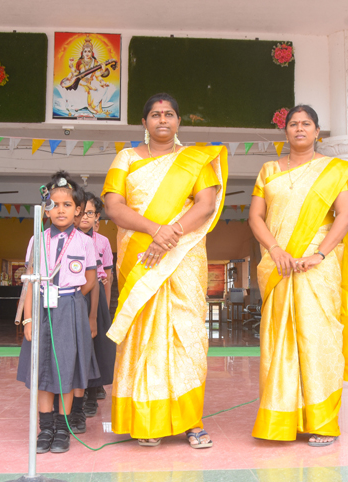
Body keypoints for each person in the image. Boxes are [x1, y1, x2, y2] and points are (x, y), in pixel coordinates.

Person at [102, 93, 228, 448]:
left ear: (178, 121)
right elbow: (113, 205)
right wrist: (155, 231)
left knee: (186, 334)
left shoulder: (194, 159)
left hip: (183, 254)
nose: (162, 120)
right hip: (141, 256)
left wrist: (171, 234)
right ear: (144, 122)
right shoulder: (126, 158)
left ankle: (192, 421)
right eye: (155, 114)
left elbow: (206, 203)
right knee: (143, 334)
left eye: (169, 114)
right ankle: (148, 420)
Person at [248, 105, 348, 447]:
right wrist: (275, 250)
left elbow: (346, 213)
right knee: (280, 341)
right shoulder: (269, 170)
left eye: (306, 124)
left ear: (317, 131)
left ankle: (323, 422)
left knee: (318, 339)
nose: (299, 128)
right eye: (294, 124)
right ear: (285, 131)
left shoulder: (333, 170)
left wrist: (319, 254)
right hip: (279, 264)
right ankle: (281, 420)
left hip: (317, 266)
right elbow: (256, 217)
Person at [16, 171, 100, 454]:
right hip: (40, 306)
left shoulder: (85, 242)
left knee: (65, 369)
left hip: (69, 307)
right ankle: (46, 428)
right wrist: (28, 318)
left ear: (78, 210)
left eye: (67, 205)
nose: (60, 210)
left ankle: (63, 428)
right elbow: (30, 282)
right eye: (54, 204)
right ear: (46, 209)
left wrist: (70, 299)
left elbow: (90, 280)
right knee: (42, 369)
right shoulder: (37, 240)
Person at [77, 192, 115, 417]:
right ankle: (78, 395)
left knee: (97, 346)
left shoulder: (102, 242)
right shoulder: (70, 238)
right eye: (81, 212)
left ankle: (92, 395)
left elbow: (107, 276)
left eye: (90, 213)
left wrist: (105, 308)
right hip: (74, 292)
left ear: (97, 216)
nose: (85, 217)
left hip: (96, 295)